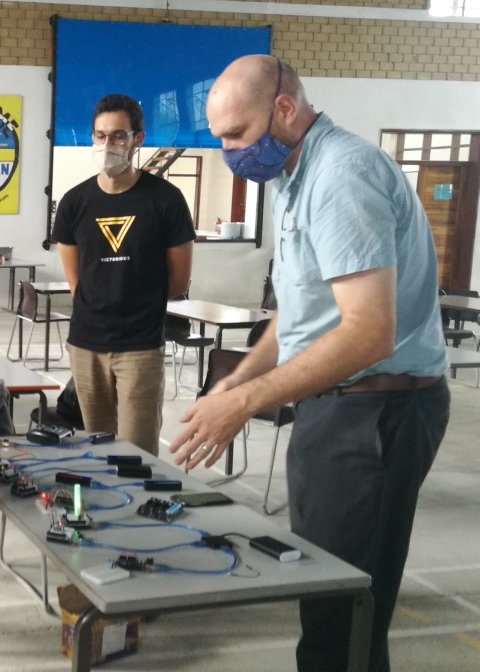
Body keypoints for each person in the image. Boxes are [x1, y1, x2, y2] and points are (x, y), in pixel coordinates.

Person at [171, 55, 450, 672]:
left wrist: (244, 403)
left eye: (236, 134)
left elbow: (368, 333)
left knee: (344, 613)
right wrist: (236, 381)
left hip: (375, 411)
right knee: (323, 592)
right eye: (220, 139)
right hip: (335, 407)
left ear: (285, 108)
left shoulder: (342, 175)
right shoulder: (294, 176)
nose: (229, 152)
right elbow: (301, 312)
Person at [51, 93, 195, 455]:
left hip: (140, 347)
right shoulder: (74, 202)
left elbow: (178, 282)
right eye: (100, 136)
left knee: (138, 454)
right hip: (86, 345)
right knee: (96, 449)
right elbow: (76, 282)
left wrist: (133, 303)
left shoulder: (166, 200)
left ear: (137, 139)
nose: (107, 145)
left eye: (118, 136)